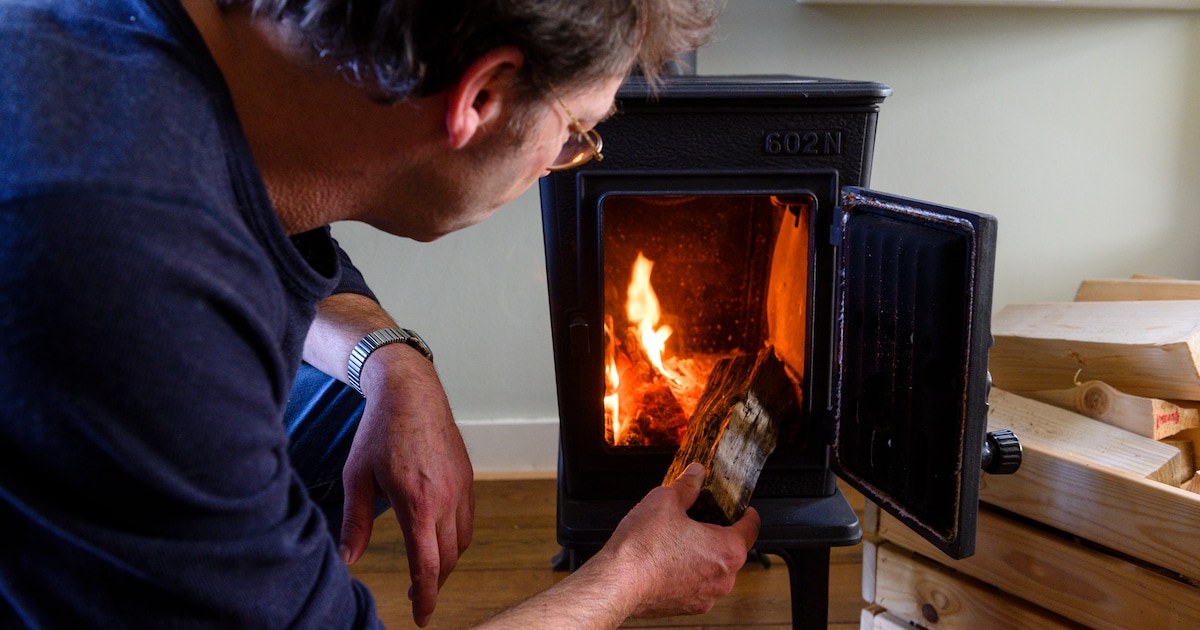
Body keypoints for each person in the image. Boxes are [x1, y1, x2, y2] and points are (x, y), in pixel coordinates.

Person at [0, 0, 760, 628]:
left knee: (343, 409)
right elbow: (161, 273)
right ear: (481, 97)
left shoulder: (173, 60)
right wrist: (626, 579)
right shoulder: (135, 266)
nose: (564, 157)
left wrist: (394, 364)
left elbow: (280, 237)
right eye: (574, 134)